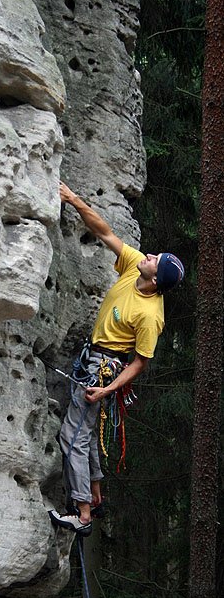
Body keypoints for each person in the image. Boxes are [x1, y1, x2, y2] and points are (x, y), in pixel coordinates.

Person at [49, 182, 184, 537]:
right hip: (93, 358)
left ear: (156, 279)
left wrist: (106, 388)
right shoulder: (134, 266)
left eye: (156, 260)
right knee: (86, 434)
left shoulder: (150, 315)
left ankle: (82, 515)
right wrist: (74, 199)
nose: (149, 256)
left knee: (71, 437)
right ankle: (94, 495)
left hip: (104, 368)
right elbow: (104, 231)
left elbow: (140, 363)